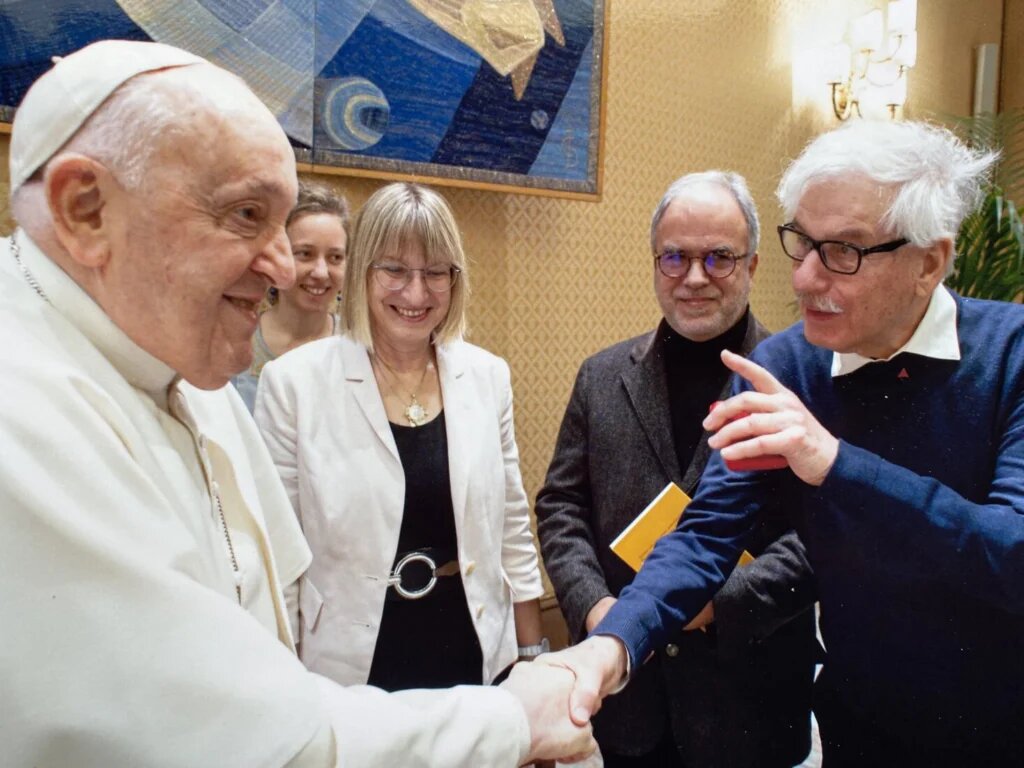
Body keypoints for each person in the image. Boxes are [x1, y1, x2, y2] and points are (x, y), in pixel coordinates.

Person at [0, 39, 593, 768]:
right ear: (86, 209)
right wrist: (512, 721)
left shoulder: (185, 371)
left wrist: (524, 660)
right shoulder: (23, 409)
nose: (287, 268)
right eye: (247, 214)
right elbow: (239, 737)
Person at [539, 120, 1024, 766]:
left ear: (929, 262)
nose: (805, 280)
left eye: (844, 251)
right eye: (803, 244)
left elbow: (1010, 554)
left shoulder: (1010, 354)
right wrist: (611, 646)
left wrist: (835, 464)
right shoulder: (785, 365)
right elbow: (706, 534)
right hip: (858, 729)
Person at [536, 171, 817, 768]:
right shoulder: (601, 376)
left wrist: (720, 604)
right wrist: (597, 608)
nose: (694, 277)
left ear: (753, 264)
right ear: (655, 263)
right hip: (629, 703)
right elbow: (561, 507)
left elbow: (822, 533)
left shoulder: (799, 380)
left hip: (750, 701)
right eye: (675, 257)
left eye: (719, 257)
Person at [255, 181, 548, 692]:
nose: (416, 293)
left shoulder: (487, 376)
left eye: (435, 272)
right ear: (363, 273)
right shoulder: (293, 384)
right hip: (351, 661)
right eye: (394, 269)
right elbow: (279, 557)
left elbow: (511, 527)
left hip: (472, 645)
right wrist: (282, 686)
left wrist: (531, 655)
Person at [232, 181, 350, 412]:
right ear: (277, 255)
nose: (321, 272)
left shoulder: (360, 350)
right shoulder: (237, 341)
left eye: (335, 258)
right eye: (305, 254)